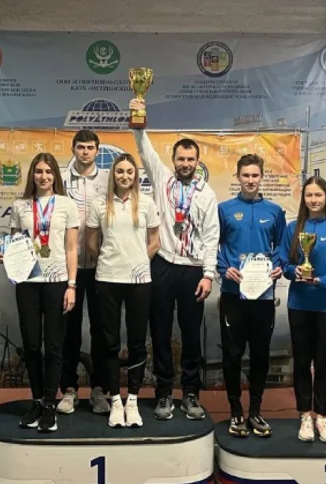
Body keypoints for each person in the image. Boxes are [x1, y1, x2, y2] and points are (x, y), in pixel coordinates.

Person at [130, 98, 220, 420]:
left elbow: (211, 237)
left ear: (197, 161)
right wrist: (138, 119)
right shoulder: (162, 179)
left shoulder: (206, 194)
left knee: (191, 333)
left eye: (190, 159)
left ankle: (191, 393)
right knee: (160, 332)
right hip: (163, 265)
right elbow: (144, 149)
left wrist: (208, 274)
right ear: (173, 160)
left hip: (193, 270)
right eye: (180, 158)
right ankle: (164, 392)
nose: (185, 163)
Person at [0, 153, 79, 432]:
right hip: (27, 280)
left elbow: (71, 248)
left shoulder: (67, 205)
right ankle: (38, 400)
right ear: (33, 174)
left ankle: (51, 404)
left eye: (49, 171)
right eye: (39, 171)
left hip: (57, 282)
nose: (44, 176)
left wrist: (72, 285)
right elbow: (14, 243)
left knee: (53, 346)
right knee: (31, 344)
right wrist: (0, 254)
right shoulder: (20, 205)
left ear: (55, 175)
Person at [85, 153, 160, 428]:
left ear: (135, 175)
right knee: (109, 342)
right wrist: (111, 261)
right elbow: (91, 244)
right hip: (107, 279)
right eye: (120, 171)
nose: (124, 176)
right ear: (113, 175)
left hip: (139, 281)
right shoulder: (99, 204)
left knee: (137, 342)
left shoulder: (147, 203)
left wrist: (138, 262)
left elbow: (155, 242)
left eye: (129, 172)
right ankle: (115, 400)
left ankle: (133, 401)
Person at [278, 176, 326, 443]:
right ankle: (304, 416)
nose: (313, 200)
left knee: (322, 362)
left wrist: (322, 281)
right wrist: (293, 271)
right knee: (301, 362)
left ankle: (321, 415)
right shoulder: (293, 228)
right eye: (309, 195)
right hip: (299, 304)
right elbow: (283, 262)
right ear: (304, 199)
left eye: (318, 195)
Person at [217, 154, 285, 437]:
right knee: (232, 356)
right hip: (233, 294)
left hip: (263, 295)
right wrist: (224, 269)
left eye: (255, 175)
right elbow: (214, 244)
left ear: (262, 177)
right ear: (238, 177)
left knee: (260, 355)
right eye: (245, 175)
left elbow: (281, 246)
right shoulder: (224, 209)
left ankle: (255, 411)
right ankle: (235, 411)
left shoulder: (275, 211)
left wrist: (278, 266)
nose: (250, 180)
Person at [58, 129, 110, 415]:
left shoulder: (108, 179)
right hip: (69, 265)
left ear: (97, 151)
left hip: (103, 265)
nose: (86, 152)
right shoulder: (61, 179)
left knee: (101, 330)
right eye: (81, 147)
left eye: (90, 148)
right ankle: (68, 389)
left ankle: (100, 389)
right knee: (69, 330)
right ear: (74, 149)